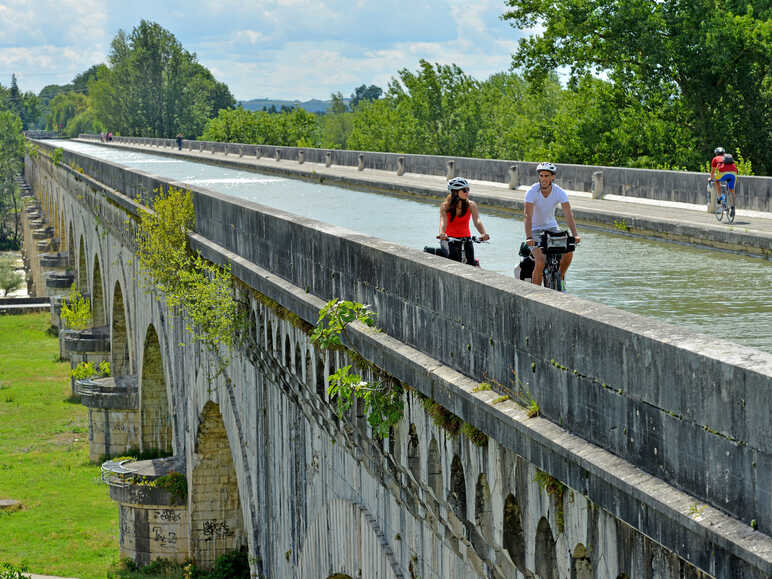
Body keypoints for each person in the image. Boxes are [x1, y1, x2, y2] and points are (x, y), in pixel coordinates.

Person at [524, 162, 580, 287]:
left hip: (552, 228)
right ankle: (536, 294)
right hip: (535, 230)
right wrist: (529, 237)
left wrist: (575, 235)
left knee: (569, 250)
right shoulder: (532, 191)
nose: (543, 179)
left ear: (553, 177)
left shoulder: (559, 192)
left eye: (546, 176)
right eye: (541, 175)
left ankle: (560, 277)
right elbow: (528, 216)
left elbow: (568, 214)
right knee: (541, 261)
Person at [438, 177, 490, 264]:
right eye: (464, 190)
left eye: (468, 189)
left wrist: (483, 233)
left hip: (466, 239)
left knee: (471, 263)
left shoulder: (471, 205)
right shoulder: (445, 206)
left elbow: (477, 221)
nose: (467, 192)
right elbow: (443, 221)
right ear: (455, 192)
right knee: (454, 263)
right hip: (449, 239)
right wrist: (442, 233)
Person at [714, 152, 738, 219]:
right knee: (732, 191)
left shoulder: (721, 162)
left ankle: (719, 197)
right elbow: (737, 171)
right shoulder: (733, 164)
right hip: (733, 175)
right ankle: (733, 207)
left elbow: (718, 170)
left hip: (723, 174)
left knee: (716, 181)